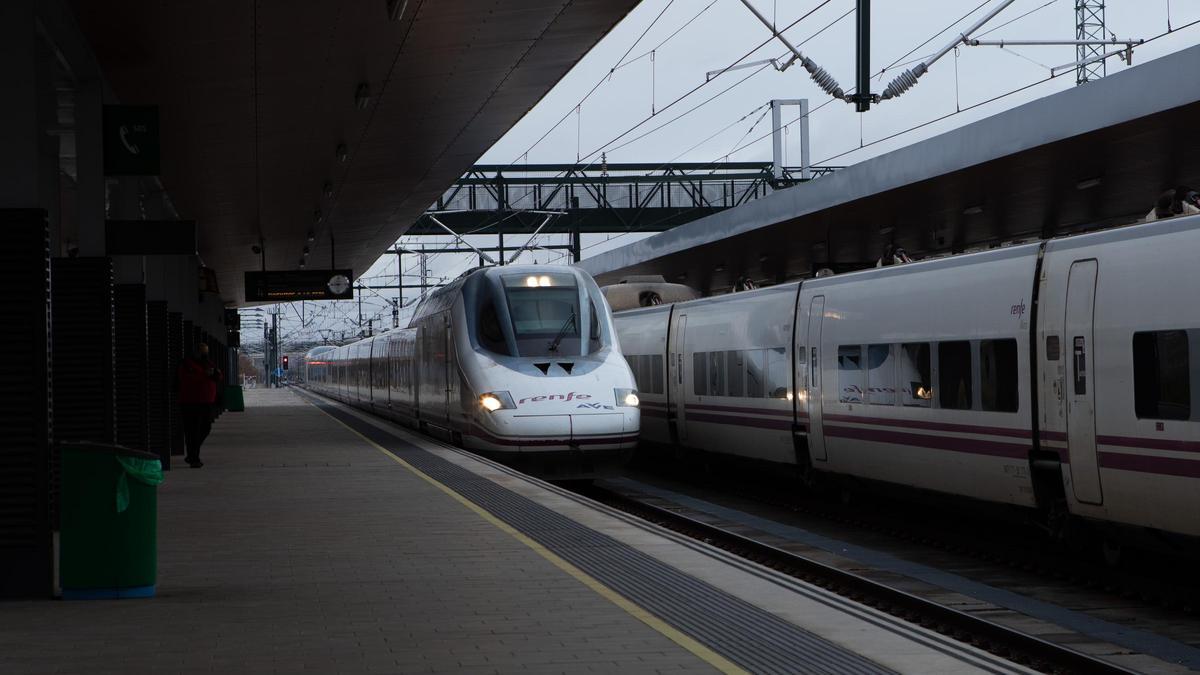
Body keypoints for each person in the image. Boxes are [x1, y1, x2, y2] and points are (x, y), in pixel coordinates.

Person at [178, 343, 222, 468]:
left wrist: (215, 374)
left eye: (205, 351)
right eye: (202, 351)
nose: (204, 354)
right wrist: (205, 375)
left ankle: (192, 453)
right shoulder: (186, 364)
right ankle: (194, 458)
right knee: (192, 430)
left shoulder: (209, 363)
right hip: (190, 402)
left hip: (206, 401)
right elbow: (186, 379)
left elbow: (218, 375)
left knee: (205, 428)